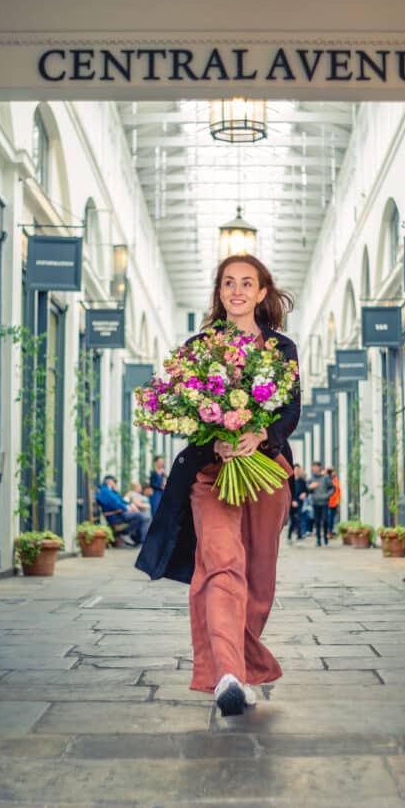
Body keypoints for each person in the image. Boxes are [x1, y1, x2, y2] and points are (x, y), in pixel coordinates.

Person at [135, 254, 300, 716]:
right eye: (229, 283)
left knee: (259, 578)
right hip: (210, 475)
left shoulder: (281, 349)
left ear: (262, 292)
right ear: (220, 291)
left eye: (248, 283)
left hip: (265, 473)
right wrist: (218, 443)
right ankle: (227, 674)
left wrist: (260, 435)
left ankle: (242, 667)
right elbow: (192, 412)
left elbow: (289, 411)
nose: (238, 291)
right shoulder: (199, 346)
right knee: (221, 564)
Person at [96, 475, 151, 546]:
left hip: (120, 512)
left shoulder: (110, 491)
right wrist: (127, 507)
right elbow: (115, 504)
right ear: (109, 481)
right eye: (114, 481)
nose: (115, 483)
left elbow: (120, 501)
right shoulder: (105, 491)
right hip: (116, 515)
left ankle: (137, 538)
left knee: (142, 517)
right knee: (140, 516)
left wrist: (130, 506)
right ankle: (125, 534)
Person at [308, 461, 335, 547]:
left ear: (320, 467)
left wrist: (327, 495)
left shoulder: (326, 477)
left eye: (316, 467)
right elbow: (307, 490)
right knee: (317, 521)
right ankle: (318, 539)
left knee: (325, 520)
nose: (314, 469)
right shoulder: (311, 479)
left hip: (324, 502)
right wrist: (310, 487)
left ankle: (325, 537)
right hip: (315, 502)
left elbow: (332, 488)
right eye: (313, 467)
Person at [287, 464, 308, 542]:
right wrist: (292, 501)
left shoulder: (302, 481)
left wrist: (305, 494)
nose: (297, 471)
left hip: (300, 503)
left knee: (299, 519)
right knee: (292, 521)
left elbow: (306, 491)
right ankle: (289, 536)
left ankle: (299, 536)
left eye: (298, 470)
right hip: (291, 504)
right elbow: (288, 492)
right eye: (296, 470)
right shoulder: (289, 480)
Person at [327, 467, 341, 540]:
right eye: (333, 472)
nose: (334, 473)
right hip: (327, 503)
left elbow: (338, 491)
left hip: (334, 503)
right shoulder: (327, 480)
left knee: (331, 519)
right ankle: (328, 532)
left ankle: (330, 532)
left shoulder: (335, 480)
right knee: (329, 518)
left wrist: (338, 502)